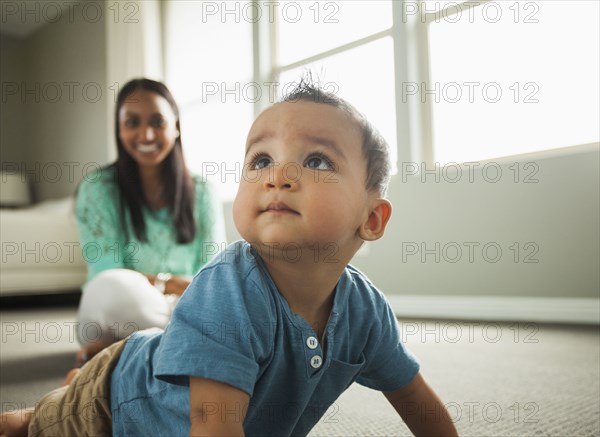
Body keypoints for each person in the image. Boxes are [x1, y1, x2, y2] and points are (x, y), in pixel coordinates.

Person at [0, 80, 458, 437]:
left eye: (317, 161)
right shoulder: (232, 289)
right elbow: (213, 423)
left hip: (172, 322)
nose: (278, 175)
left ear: (373, 219)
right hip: (117, 400)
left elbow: (414, 395)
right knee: (43, 426)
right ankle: (52, 401)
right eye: (260, 160)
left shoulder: (367, 312)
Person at [74, 78, 226, 363]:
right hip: (118, 307)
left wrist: (185, 295)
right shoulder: (97, 188)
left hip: (186, 307)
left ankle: (117, 357)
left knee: (229, 301)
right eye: (132, 122)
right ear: (119, 130)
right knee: (113, 289)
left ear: (176, 126)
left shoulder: (203, 192)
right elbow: (108, 269)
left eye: (157, 121)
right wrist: (170, 284)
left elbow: (213, 272)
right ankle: (175, 348)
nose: (146, 134)